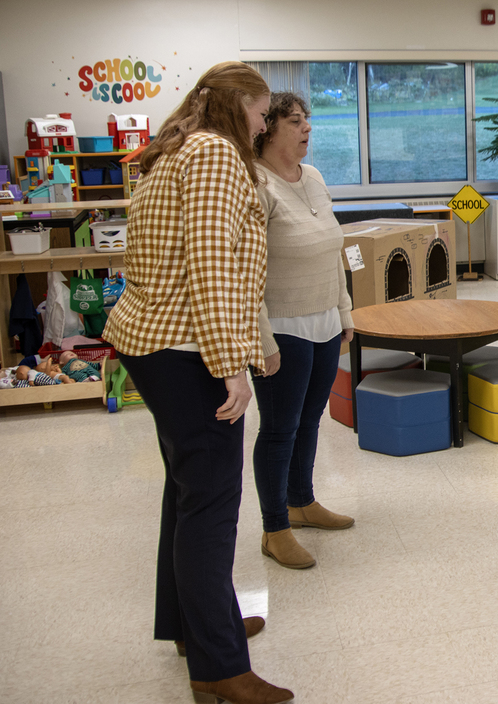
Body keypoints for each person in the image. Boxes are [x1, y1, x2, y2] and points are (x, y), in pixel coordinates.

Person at [104, 62, 294, 703]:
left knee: (186, 493)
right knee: (211, 502)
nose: (263, 126)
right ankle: (218, 667)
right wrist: (230, 364)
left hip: (154, 341)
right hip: (187, 349)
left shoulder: (175, 147)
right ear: (236, 106)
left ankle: (194, 625)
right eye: (261, 113)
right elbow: (211, 266)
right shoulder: (213, 153)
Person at [251, 92, 355, 570]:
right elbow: (244, 271)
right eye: (295, 121)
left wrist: (345, 312)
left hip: (325, 320)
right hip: (282, 325)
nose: (306, 128)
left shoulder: (313, 176)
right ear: (268, 128)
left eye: (306, 119)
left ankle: (301, 502)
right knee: (279, 429)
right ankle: (275, 529)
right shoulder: (255, 183)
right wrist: (262, 338)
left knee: (310, 419)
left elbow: (333, 249)